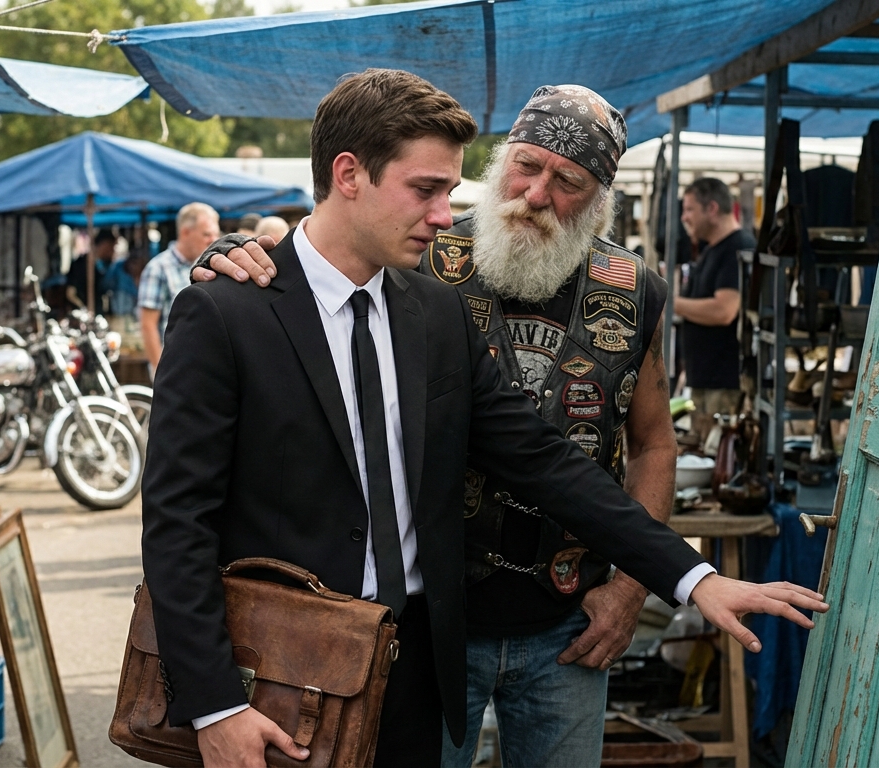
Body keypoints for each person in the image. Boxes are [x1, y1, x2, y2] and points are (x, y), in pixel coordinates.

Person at [141, 68, 826, 768]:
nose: (446, 216)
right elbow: (176, 525)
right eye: (427, 190)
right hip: (279, 669)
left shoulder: (431, 313)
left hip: (411, 670)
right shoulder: (226, 311)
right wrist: (216, 704)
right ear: (348, 174)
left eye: (450, 190)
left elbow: (545, 460)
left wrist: (693, 579)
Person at [197, 84, 683, 768]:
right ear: (499, 163)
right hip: (429, 622)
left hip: (567, 619)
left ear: (601, 198)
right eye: (526, 167)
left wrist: (634, 589)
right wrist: (237, 255)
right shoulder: (417, 255)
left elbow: (648, 445)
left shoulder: (632, 293)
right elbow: (319, 266)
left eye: (568, 181)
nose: (537, 194)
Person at [675, 178, 753, 448]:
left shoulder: (737, 247)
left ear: (712, 208)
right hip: (706, 380)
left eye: (689, 209)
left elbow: (724, 311)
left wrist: (667, 301)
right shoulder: (711, 250)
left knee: (719, 457)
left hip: (725, 383)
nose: (684, 217)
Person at [137, 202, 219, 370]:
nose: (213, 240)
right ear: (185, 232)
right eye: (206, 234)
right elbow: (148, 325)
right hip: (175, 368)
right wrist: (161, 371)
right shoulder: (158, 267)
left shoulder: (210, 266)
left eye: (215, 234)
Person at [68, 229, 118, 314]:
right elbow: (71, 293)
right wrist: (84, 309)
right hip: (83, 314)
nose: (113, 251)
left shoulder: (108, 265)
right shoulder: (81, 264)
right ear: (104, 244)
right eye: (111, 247)